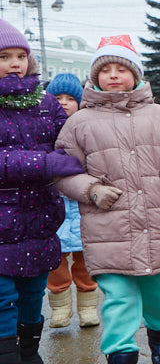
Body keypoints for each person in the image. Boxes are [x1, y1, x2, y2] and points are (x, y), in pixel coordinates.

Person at [54, 36, 160, 364]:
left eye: (121, 69)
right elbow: (63, 171)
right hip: (108, 232)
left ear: (135, 75)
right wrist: (90, 189)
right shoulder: (79, 123)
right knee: (117, 302)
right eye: (106, 70)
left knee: (159, 297)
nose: (114, 76)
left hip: (159, 226)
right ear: (95, 77)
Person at [0, 21, 83, 364]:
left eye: (20, 56)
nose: (14, 64)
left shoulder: (46, 102)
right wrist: (46, 163)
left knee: (33, 293)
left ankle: (29, 355)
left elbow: (71, 145)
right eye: (4, 58)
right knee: (3, 298)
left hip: (39, 217)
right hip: (1, 219)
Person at [44, 73, 99, 329]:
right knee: (55, 258)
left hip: (81, 204)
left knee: (85, 257)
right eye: (58, 98)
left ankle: (88, 307)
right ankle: (60, 307)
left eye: (70, 98)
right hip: (53, 204)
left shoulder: (86, 127)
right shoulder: (42, 128)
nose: (64, 103)